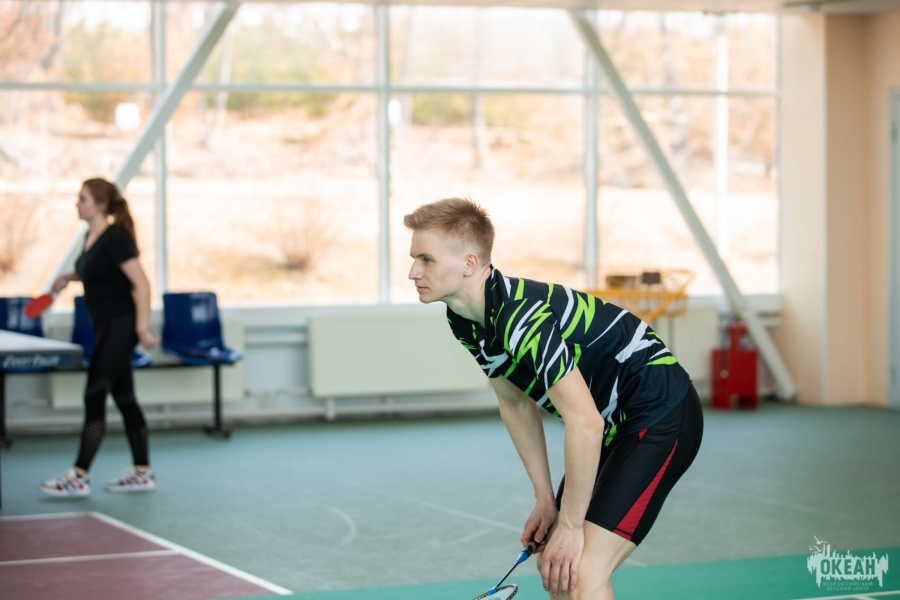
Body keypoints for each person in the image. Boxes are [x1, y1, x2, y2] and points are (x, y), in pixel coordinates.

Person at [404, 198, 703, 600]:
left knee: (580, 569)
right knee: (556, 567)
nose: (413, 272)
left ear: (469, 263)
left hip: (660, 414)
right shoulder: (464, 320)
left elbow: (585, 422)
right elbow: (514, 402)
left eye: (426, 259)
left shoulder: (522, 317)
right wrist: (545, 498)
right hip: (612, 425)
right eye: (414, 259)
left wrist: (572, 525)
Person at [39, 177, 159, 497]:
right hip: (104, 326)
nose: (77, 204)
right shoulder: (91, 237)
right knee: (125, 397)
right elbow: (100, 272)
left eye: (83, 199)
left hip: (121, 326)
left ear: (101, 205)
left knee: (94, 393)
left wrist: (142, 328)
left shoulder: (115, 238)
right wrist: (71, 277)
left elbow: (142, 284)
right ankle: (142, 472)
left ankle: (79, 475)